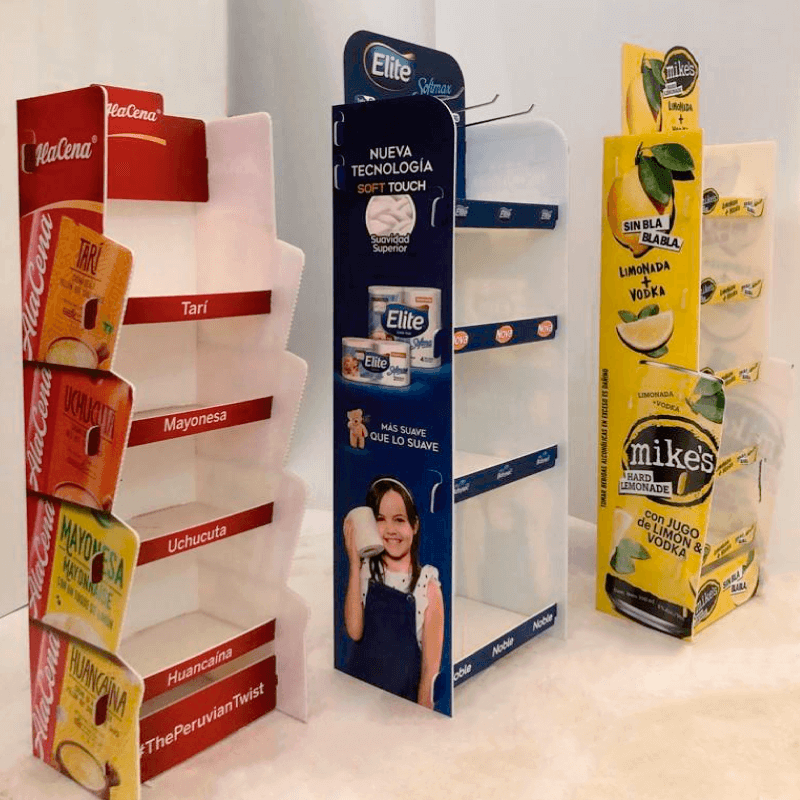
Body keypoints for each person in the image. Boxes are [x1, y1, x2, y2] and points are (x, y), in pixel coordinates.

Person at [343, 477, 444, 708]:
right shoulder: (366, 571)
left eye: (399, 520)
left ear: (414, 526)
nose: (390, 530)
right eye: (380, 519)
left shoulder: (427, 587)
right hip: (357, 700)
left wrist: (419, 722)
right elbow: (355, 631)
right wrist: (354, 563)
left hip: (398, 711)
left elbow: (429, 673)